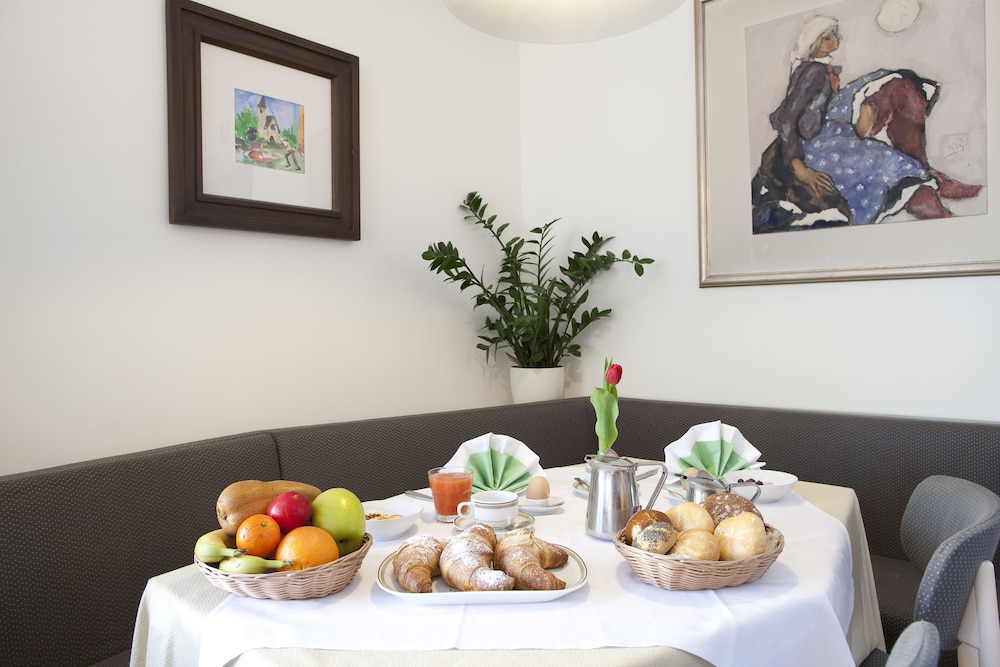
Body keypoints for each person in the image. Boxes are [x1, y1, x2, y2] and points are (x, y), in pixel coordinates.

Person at [751, 15, 981, 233]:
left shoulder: (821, 70)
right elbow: (788, 118)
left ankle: (927, 181)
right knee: (881, 162)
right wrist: (799, 167)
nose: (837, 39)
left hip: (828, 130)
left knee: (892, 86)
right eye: (829, 36)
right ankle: (927, 191)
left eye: (835, 34)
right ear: (815, 44)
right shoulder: (813, 72)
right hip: (815, 143)